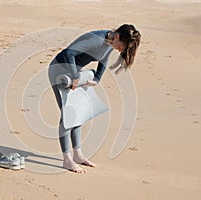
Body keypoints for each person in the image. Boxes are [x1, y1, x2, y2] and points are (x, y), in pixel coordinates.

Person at [48, 24, 141, 173]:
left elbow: (103, 58)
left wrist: (97, 78)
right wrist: (76, 76)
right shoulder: (96, 39)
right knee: (68, 116)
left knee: (78, 114)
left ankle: (77, 155)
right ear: (117, 37)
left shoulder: (110, 41)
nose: (120, 50)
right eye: (121, 46)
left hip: (72, 73)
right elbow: (68, 53)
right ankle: (67, 160)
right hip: (59, 71)